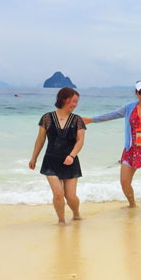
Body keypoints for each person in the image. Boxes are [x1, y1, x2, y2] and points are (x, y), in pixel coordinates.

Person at [82, 81, 141, 217]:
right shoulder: (129, 107)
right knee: (124, 182)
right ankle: (132, 204)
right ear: (136, 93)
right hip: (131, 149)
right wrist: (91, 119)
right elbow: (112, 114)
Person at [29, 87, 86, 224]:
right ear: (64, 99)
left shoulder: (77, 120)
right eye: (73, 101)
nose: (75, 104)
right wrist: (34, 157)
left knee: (71, 196)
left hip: (70, 161)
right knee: (58, 194)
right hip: (51, 160)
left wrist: (71, 156)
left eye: (76, 102)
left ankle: (76, 214)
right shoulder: (47, 118)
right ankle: (61, 221)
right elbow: (40, 139)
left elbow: (80, 141)